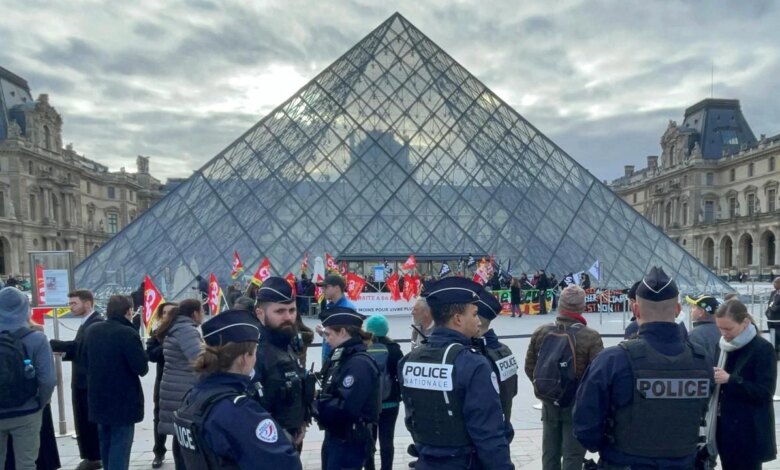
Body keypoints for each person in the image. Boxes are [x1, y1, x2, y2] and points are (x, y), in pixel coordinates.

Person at [572, 267, 713, 469]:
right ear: (677, 310)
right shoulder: (701, 359)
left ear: (636, 310)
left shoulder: (612, 360)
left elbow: (584, 428)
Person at [399, 277, 513, 470]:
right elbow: (487, 432)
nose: (478, 321)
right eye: (475, 314)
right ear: (458, 318)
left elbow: (412, 419)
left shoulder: (409, 360)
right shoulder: (473, 364)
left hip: (426, 461)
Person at [173, 310, 302, 469]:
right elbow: (286, 464)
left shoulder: (192, 398)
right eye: (254, 353)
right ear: (244, 358)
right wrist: (284, 438)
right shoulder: (238, 410)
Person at [525, 285, 603, 470]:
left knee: (549, 453)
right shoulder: (591, 337)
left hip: (549, 402)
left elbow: (530, 367)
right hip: (576, 405)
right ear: (582, 307)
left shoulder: (541, 332)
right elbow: (598, 376)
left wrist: (548, 389)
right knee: (572, 455)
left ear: (560, 306)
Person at [82, 295, 149, 470]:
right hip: (123, 401)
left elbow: (83, 359)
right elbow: (141, 368)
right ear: (129, 311)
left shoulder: (93, 330)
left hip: (97, 398)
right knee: (120, 446)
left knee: (106, 444)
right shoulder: (128, 333)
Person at [711, 300, 776, 470]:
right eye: (720, 328)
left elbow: (764, 393)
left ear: (745, 322)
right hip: (725, 429)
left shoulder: (762, 349)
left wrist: (731, 379)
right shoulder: (723, 347)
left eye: (728, 328)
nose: (724, 333)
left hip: (749, 432)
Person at [314, 306, 381, 470]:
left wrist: (315, 404)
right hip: (337, 436)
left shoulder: (358, 364)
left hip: (349, 440)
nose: (327, 339)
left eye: (329, 334)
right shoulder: (342, 357)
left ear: (343, 332)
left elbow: (346, 408)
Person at [252, 277, 314, 452]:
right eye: (280, 311)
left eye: (292, 310)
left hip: (291, 441)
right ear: (260, 314)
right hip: (268, 447)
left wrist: (302, 422)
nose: (288, 317)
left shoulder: (287, 343)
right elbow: (250, 408)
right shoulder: (254, 352)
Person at [0, 287, 56, 470]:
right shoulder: (36, 338)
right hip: (27, 410)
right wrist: (40, 402)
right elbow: (47, 380)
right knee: (26, 464)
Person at [49, 290, 103, 470]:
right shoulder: (87, 322)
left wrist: (52, 344)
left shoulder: (95, 323)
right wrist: (65, 352)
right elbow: (78, 349)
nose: (70, 307)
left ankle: (93, 457)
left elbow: (81, 347)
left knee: (87, 421)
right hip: (82, 381)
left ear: (87, 303)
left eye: (74, 303)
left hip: (86, 382)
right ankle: (91, 456)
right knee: (82, 420)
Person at [157, 299, 204, 470]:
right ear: (194, 314)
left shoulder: (175, 327)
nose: (204, 314)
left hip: (173, 387)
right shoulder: (186, 330)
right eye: (202, 311)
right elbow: (199, 359)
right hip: (183, 389)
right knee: (186, 441)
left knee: (180, 437)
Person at [474, 290, 518, 442]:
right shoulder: (504, 350)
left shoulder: (480, 355)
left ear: (476, 321)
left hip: (487, 433)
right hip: (504, 425)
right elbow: (513, 390)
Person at [363, 315, 402, 470]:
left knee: (368, 440)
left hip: (369, 404)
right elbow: (401, 375)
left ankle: (369, 467)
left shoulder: (363, 348)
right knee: (387, 441)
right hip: (390, 402)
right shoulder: (394, 349)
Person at [145, 302, 178, 469]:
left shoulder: (185, 331)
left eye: (171, 312)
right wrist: (166, 344)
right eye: (164, 312)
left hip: (181, 381)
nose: (167, 315)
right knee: (159, 416)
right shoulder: (157, 333)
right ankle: (159, 451)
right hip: (163, 380)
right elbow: (150, 355)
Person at [315, 274, 356, 363]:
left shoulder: (347, 309)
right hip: (329, 356)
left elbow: (346, 337)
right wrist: (322, 332)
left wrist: (323, 331)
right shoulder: (330, 307)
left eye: (326, 287)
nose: (323, 290)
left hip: (340, 358)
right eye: (323, 288)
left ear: (337, 288)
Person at [684, 295, 721, 364]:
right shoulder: (724, 330)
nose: (690, 310)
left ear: (701, 312)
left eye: (693, 307)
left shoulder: (694, 335)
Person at [765, 277, 780, 354]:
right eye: (774, 283)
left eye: (776, 283)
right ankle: (775, 352)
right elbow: (769, 304)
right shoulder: (773, 293)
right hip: (771, 320)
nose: (774, 284)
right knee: (773, 337)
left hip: (778, 320)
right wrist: (767, 313)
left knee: (778, 337)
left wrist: (775, 308)